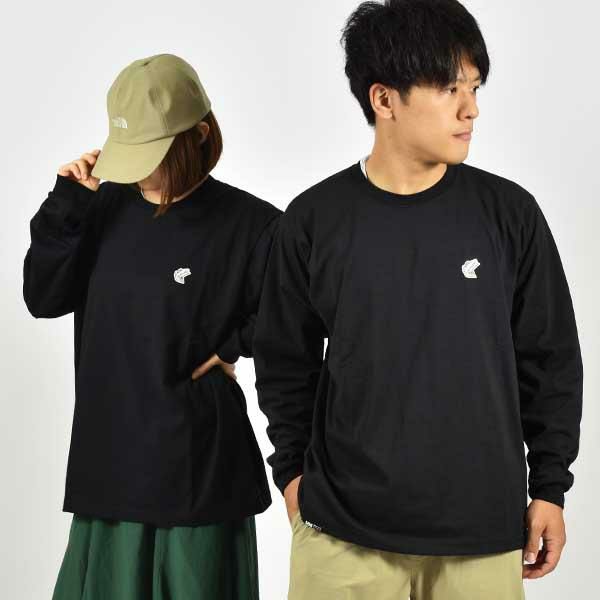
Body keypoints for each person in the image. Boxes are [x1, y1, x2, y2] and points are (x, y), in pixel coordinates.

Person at [252, 1, 584, 598]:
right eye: (450, 88)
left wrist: (550, 488)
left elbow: (550, 358)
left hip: (481, 532)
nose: (471, 108)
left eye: (474, 87)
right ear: (385, 99)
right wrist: (293, 479)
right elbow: (283, 363)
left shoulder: (509, 214)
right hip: (342, 535)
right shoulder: (313, 220)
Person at [23, 53, 281, 599]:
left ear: (200, 135)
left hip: (200, 473)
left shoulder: (254, 225)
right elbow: (42, 299)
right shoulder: (97, 208)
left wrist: (233, 346)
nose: (139, 169)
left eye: (152, 152)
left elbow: (296, 315)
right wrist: (66, 204)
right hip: (110, 466)